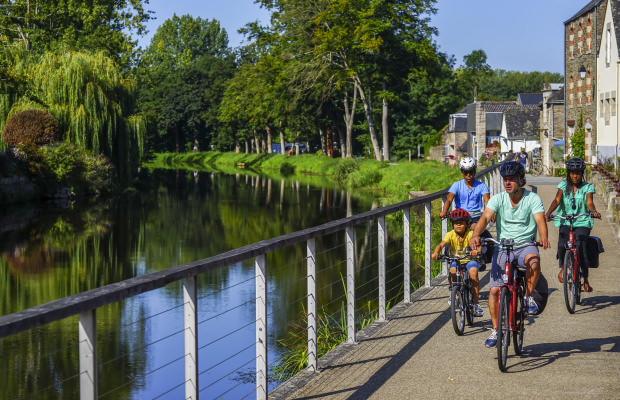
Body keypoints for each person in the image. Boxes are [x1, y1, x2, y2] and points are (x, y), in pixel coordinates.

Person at [470, 161, 550, 347]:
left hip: (525, 244)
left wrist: (543, 237)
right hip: (503, 246)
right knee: (494, 290)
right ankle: (496, 329)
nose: (507, 183)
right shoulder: (498, 199)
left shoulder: (532, 199)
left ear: (521, 180)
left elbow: (540, 220)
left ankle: (528, 296)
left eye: (512, 179)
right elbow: (485, 218)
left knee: (534, 262)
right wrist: (475, 235)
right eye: (505, 179)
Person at [544, 158, 600, 292]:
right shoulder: (563, 186)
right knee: (562, 244)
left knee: (581, 247)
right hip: (566, 219)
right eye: (572, 173)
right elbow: (557, 200)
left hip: (582, 221)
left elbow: (589, 203)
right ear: (568, 173)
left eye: (578, 173)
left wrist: (593, 211)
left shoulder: (587, 187)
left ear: (582, 174)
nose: (575, 176)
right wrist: (548, 213)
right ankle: (563, 268)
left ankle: (585, 279)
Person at [432, 208, 484, 317]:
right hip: (455, 259)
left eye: (461, 223)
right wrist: (436, 252)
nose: (458, 225)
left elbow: (478, 245)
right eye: (456, 223)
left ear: (466, 224)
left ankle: (476, 303)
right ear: (452, 225)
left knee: (474, 275)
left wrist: (476, 251)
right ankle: (455, 292)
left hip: (469, 259)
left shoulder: (471, 233)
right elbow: (441, 245)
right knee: (452, 271)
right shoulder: (450, 234)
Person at [440, 157, 491, 230]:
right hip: (460, 216)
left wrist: (491, 213)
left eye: (471, 172)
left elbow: (488, 201)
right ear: (462, 172)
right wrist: (444, 211)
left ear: (475, 171)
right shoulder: (456, 185)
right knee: (455, 235)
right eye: (465, 172)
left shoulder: (482, 186)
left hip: (475, 216)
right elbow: (449, 200)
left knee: (475, 228)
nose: (468, 175)